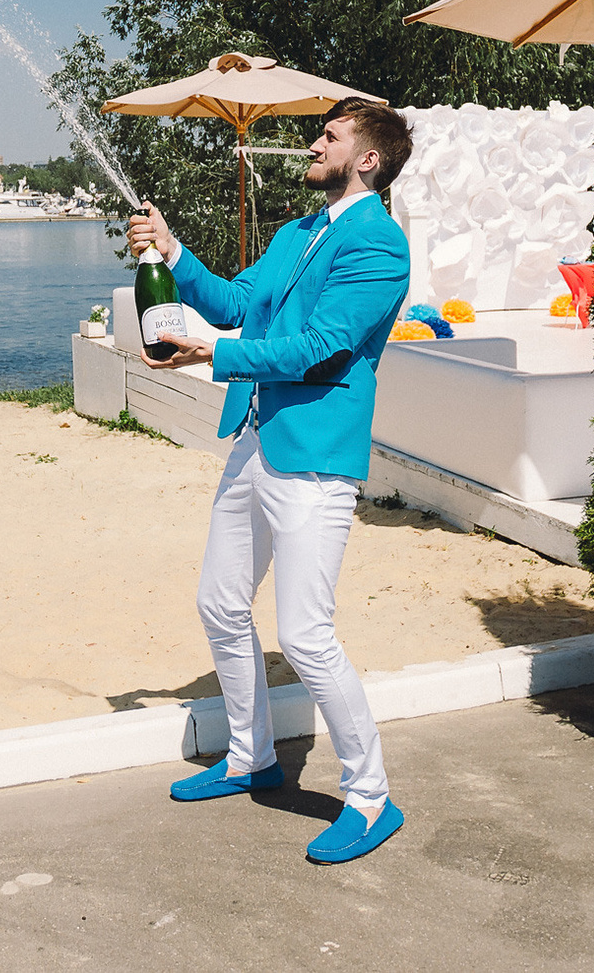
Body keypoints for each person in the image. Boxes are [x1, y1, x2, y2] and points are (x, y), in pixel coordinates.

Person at [127, 96, 414, 865]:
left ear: (368, 159)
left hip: (315, 455)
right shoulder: (295, 233)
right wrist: (172, 251)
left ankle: (370, 796)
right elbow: (235, 303)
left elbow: (322, 346)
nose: (313, 144)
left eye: (330, 135)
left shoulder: (379, 243)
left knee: (306, 635)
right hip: (255, 438)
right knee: (220, 601)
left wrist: (211, 355)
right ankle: (250, 755)